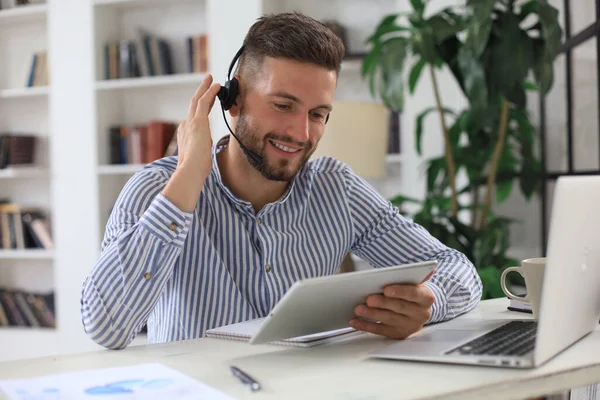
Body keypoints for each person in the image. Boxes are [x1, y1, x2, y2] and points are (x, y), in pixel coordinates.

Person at [80, 12, 482, 350]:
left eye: (318, 114)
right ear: (232, 100)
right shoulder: (157, 190)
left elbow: (458, 269)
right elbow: (105, 327)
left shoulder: (337, 190)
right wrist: (188, 178)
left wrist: (430, 301)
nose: (301, 133)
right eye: (283, 106)